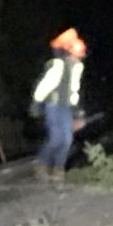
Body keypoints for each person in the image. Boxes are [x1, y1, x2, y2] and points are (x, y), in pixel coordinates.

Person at [30, 28, 87, 181]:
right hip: (53, 106)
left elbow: (74, 91)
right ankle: (41, 164)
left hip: (66, 107)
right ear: (69, 53)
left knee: (67, 139)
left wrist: (77, 112)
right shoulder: (57, 65)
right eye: (77, 56)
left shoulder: (77, 68)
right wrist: (36, 102)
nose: (79, 59)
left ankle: (58, 170)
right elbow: (45, 85)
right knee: (56, 138)